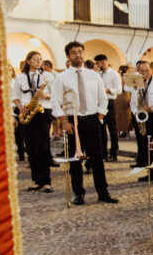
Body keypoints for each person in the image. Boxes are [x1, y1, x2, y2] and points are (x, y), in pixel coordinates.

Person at [50, 41, 118, 205]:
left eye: (80, 52)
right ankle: (78, 193)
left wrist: (100, 117)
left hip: (93, 120)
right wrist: (64, 122)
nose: (77, 55)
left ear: (83, 54)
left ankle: (103, 192)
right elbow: (55, 102)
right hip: (73, 123)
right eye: (73, 53)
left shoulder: (94, 75)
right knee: (75, 160)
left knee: (97, 159)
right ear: (68, 56)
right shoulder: (61, 78)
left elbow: (103, 98)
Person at [11, 51, 54, 193]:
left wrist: (45, 95)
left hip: (42, 112)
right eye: (35, 59)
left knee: (42, 147)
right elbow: (15, 96)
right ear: (28, 61)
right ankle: (36, 180)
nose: (38, 61)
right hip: (26, 112)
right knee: (30, 147)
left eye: (40, 59)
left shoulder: (47, 76)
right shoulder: (20, 78)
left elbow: (55, 95)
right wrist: (20, 107)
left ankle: (46, 181)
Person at [130, 60, 153, 180]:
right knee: (146, 147)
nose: (145, 73)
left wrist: (151, 108)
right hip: (142, 117)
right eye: (142, 70)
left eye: (147, 70)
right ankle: (151, 173)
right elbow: (133, 102)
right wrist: (137, 114)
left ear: (151, 70)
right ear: (138, 71)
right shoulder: (136, 82)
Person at [94, 54, 122, 162]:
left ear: (103, 62)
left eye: (98, 63)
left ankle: (114, 153)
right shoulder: (98, 74)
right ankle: (103, 153)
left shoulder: (114, 74)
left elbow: (119, 90)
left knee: (112, 128)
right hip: (99, 102)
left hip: (109, 101)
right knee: (101, 129)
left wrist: (108, 90)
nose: (97, 65)